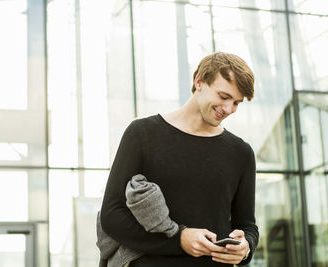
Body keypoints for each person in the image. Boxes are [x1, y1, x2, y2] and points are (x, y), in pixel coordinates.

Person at [100, 52, 259, 267]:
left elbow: (247, 225)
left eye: (237, 103)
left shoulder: (241, 153)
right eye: (223, 97)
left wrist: (246, 247)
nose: (229, 109)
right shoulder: (142, 134)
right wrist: (179, 240)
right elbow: (112, 216)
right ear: (199, 82)